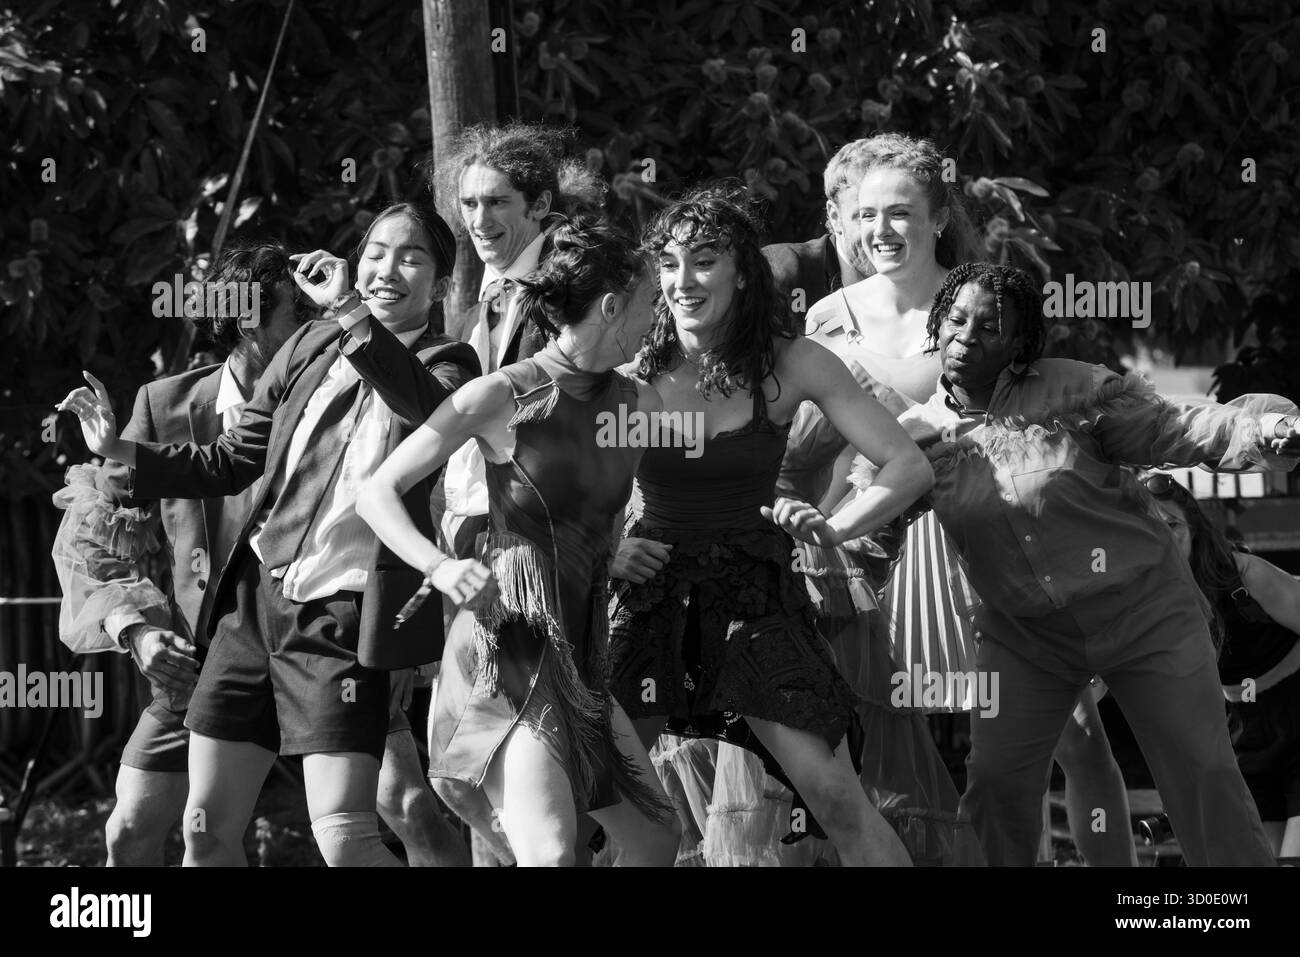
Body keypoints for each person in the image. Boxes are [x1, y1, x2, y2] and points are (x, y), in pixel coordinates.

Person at [803, 261, 1300, 866]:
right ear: (937, 324)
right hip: (1023, 639)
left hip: (1145, 615)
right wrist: (810, 566)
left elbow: (1176, 426)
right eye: (957, 319)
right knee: (997, 785)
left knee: (1203, 773)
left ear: (1020, 345)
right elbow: (867, 534)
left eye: (991, 327)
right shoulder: (914, 438)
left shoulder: (1074, 392)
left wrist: (1266, 428)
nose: (966, 337)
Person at [58, 201, 479, 866]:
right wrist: (121, 448)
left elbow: (423, 409)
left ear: (443, 283)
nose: (386, 267)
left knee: (344, 836)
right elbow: (230, 458)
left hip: (342, 613)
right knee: (203, 824)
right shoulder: (308, 346)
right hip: (252, 605)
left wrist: (351, 316)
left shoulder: (452, 363)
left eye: (411, 256)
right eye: (375, 251)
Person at [800, 132, 1134, 865]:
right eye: (863, 216)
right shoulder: (823, 317)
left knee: (1071, 734)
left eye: (899, 214)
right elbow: (816, 437)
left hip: (982, 532)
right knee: (884, 742)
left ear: (938, 217)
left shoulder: (985, 301)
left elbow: (1032, 413)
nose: (878, 231)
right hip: (874, 538)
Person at [607, 184, 934, 867]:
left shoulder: (794, 361)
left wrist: (835, 528)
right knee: (609, 800)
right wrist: (613, 546)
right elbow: (568, 484)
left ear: (742, 272)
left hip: (753, 595)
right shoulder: (630, 373)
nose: (682, 280)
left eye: (702, 260)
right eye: (668, 263)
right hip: (652, 596)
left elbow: (907, 466)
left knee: (837, 797)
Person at [358, 217, 680, 866]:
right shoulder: (503, 394)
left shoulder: (639, 402)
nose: (661, 314)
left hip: (584, 652)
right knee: (552, 852)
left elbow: (605, 509)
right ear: (613, 306)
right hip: (511, 648)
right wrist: (440, 568)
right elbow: (378, 491)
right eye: (653, 300)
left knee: (655, 837)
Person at [51, 243, 303, 864]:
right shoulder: (163, 406)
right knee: (130, 834)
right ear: (249, 322)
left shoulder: (332, 395)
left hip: (315, 646)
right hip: (201, 659)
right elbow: (93, 528)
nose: (315, 329)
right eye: (299, 314)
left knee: (409, 810)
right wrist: (135, 629)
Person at [432, 122, 604, 862]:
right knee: (466, 765)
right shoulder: (486, 297)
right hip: (475, 539)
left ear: (539, 202)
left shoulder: (563, 285)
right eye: (467, 204)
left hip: (535, 545)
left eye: (496, 200)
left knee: (477, 758)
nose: (478, 220)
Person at [1148, 473, 1300, 859]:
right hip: (1244, 735)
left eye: (1172, 526)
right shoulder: (1143, 602)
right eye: (1148, 529)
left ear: (1194, 528)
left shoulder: (1243, 575)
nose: (1163, 539)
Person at [761, 137, 877, 314]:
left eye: (898, 213)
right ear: (835, 216)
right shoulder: (781, 270)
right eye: (866, 215)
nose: (882, 230)